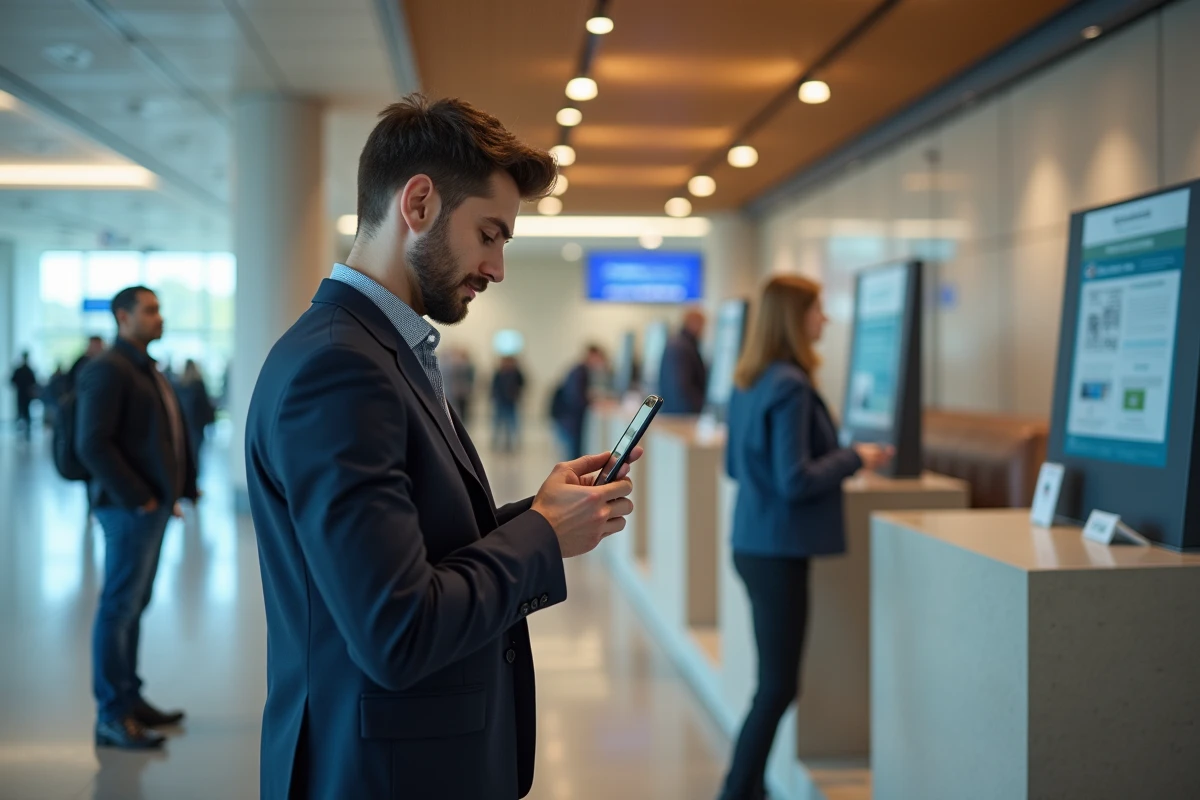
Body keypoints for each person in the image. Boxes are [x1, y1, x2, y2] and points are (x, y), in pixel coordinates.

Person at [245, 94, 642, 800]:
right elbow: (398, 629)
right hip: (382, 773)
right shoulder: (339, 369)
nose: (497, 267)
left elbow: (416, 544)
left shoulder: (380, 349)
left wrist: (540, 513)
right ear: (419, 203)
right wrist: (542, 537)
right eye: (490, 234)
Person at [718, 276, 892, 800]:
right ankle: (736, 790)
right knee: (777, 687)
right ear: (796, 318)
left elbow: (734, 466)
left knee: (773, 683)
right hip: (777, 551)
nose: (827, 320)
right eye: (819, 310)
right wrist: (856, 458)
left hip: (752, 542)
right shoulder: (791, 384)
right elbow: (795, 479)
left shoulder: (749, 381)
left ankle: (747, 789)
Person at [75, 286, 197, 750]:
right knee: (119, 608)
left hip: (152, 507)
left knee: (133, 606)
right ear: (123, 317)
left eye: (159, 309)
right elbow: (92, 443)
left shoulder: (143, 366)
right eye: (150, 310)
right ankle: (111, 714)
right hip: (128, 510)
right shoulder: (108, 369)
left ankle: (128, 698)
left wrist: (181, 488)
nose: (158, 317)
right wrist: (140, 498)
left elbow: (163, 434)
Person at [551, 345, 607, 461]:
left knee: (574, 454)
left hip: (568, 419)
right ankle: (573, 479)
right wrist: (591, 400)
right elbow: (576, 398)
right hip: (570, 420)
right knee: (574, 457)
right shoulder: (580, 372)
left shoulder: (579, 370)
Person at [659, 309, 708, 414]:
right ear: (694, 324)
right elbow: (681, 387)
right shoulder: (683, 347)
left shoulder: (677, 343)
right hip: (682, 414)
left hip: (672, 412)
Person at [177, 359, 216, 469]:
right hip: (197, 426)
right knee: (196, 455)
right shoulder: (198, 385)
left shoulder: (179, 385)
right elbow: (204, 405)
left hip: (184, 425)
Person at [491, 355, 526, 453]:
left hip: (511, 402)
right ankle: (496, 443)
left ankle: (512, 443)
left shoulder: (516, 373)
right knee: (497, 423)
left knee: (512, 424)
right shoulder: (499, 373)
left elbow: (522, 384)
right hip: (500, 401)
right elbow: (494, 386)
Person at [10, 351, 38, 440]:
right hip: (23, 394)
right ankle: (23, 432)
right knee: (22, 413)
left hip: (23, 394)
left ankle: (24, 432)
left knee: (22, 412)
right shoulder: (26, 370)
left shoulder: (23, 370)